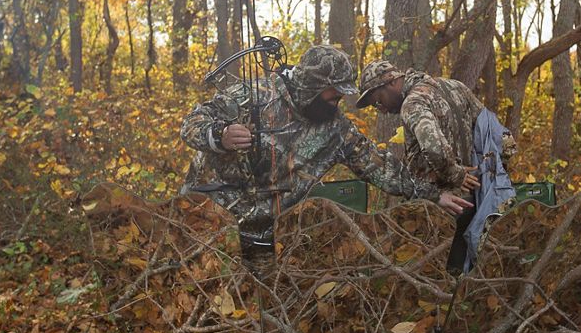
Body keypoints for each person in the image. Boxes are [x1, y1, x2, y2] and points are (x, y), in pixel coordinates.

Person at [180, 46, 472, 272]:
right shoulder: (254, 95)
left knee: (258, 306)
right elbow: (192, 124)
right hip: (208, 222)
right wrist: (220, 135)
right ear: (312, 86)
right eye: (335, 92)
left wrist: (433, 194)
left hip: (265, 235)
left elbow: (379, 165)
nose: (340, 100)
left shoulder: (336, 128)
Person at [356, 60, 517, 273]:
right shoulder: (456, 87)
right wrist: (488, 175)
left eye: (378, 101)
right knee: (464, 270)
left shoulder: (413, 103)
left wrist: (457, 175)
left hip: (437, 208)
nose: (381, 109)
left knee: (427, 276)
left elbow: (434, 149)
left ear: (391, 82)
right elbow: (504, 140)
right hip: (474, 200)